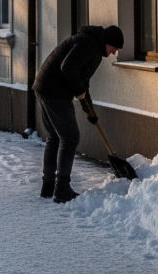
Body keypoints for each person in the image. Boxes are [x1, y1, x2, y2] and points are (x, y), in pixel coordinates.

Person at [33, 24, 124, 203]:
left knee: (55, 136)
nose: (114, 53)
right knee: (70, 138)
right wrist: (79, 89)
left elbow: (82, 81)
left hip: (45, 86)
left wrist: (89, 110)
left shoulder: (92, 46)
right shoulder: (89, 45)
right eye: (114, 48)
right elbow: (67, 67)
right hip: (54, 92)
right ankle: (62, 189)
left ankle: (48, 186)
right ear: (108, 42)